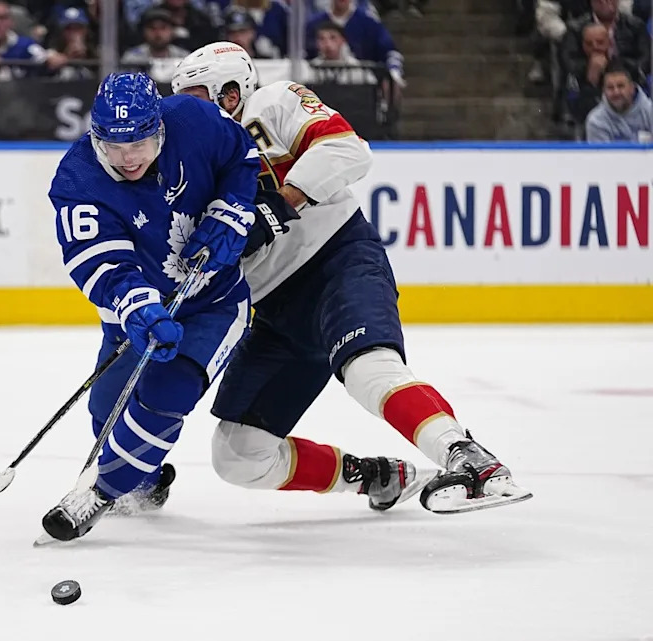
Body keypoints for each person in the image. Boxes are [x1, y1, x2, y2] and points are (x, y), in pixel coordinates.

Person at [171, 42, 533, 514]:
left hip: (338, 261)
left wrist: (281, 202)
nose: (186, 113)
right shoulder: (188, 165)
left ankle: (467, 458)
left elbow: (347, 149)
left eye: (198, 97)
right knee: (237, 453)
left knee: (368, 368)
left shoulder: (275, 102)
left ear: (232, 92)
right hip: (276, 312)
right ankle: (372, 476)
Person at [42, 72, 260, 542]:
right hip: (137, 316)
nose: (129, 157)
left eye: (140, 141)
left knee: (167, 392)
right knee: (107, 413)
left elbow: (241, 156)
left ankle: (100, 492)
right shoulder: (78, 179)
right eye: (115, 144)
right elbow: (100, 260)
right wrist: (138, 307)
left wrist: (233, 209)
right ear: (95, 134)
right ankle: (143, 481)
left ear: (159, 126)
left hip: (214, 303)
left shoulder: (194, 118)